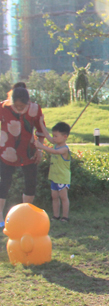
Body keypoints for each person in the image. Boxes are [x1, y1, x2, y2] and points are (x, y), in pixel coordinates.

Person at [0, 83, 52, 227]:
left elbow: (41, 131)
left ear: (28, 102)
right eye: (16, 106)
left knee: (30, 182)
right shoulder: (2, 107)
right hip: (6, 151)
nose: (19, 109)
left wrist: (39, 149)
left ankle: (26, 214)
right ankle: (0, 216)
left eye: (22, 106)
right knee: (4, 182)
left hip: (29, 151)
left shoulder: (35, 109)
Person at [34, 122, 72, 222]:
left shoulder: (64, 149)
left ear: (65, 137)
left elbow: (55, 152)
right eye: (53, 136)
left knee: (63, 197)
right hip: (54, 177)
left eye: (56, 136)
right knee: (54, 197)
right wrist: (41, 124)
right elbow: (47, 135)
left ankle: (65, 217)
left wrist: (41, 147)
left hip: (62, 177)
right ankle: (56, 216)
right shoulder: (56, 144)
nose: (53, 138)